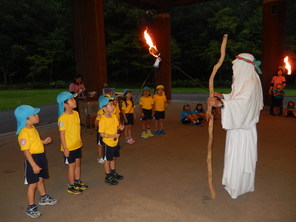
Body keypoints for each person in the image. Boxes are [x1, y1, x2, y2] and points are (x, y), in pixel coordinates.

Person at [207, 53, 263, 199]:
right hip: (238, 127)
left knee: (240, 157)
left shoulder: (251, 83)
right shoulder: (245, 81)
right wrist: (224, 96)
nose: (235, 70)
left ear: (244, 66)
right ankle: (232, 182)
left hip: (244, 130)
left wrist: (221, 104)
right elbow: (237, 96)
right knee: (234, 155)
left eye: (236, 67)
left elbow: (243, 104)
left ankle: (239, 186)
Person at [14, 105, 57, 218]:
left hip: (40, 157)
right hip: (32, 159)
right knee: (32, 184)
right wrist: (33, 165)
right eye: (34, 114)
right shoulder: (23, 133)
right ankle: (31, 207)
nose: (37, 115)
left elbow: (35, 141)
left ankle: (43, 197)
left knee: (40, 179)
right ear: (26, 119)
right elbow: (26, 151)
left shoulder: (32, 128)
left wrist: (43, 142)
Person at [57, 91, 88, 195]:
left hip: (77, 144)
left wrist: (80, 140)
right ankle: (71, 186)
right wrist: (65, 148)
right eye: (71, 100)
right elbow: (62, 135)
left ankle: (77, 181)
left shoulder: (76, 113)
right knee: (72, 165)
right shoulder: (62, 118)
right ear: (65, 104)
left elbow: (77, 129)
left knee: (78, 164)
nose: (75, 101)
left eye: (74, 99)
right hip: (68, 147)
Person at [98, 96, 125, 185]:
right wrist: (113, 135)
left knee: (113, 158)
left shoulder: (113, 116)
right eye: (110, 105)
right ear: (104, 108)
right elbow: (101, 134)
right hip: (108, 144)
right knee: (107, 160)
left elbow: (117, 125)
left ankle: (113, 172)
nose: (113, 106)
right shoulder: (102, 120)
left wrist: (120, 127)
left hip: (115, 142)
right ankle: (108, 176)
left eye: (113, 104)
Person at [94, 97, 105, 164]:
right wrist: (96, 128)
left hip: (107, 130)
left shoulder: (110, 111)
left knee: (105, 143)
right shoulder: (100, 111)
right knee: (100, 144)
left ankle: (105, 154)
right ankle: (100, 156)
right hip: (100, 130)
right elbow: (96, 121)